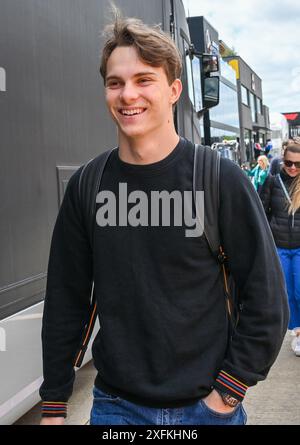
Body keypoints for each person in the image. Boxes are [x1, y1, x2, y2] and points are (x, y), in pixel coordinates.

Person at [39, 13, 289, 426]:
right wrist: (53, 402)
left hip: (207, 409)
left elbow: (267, 297)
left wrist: (228, 391)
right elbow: (67, 299)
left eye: (143, 80)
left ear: (173, 90)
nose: (127, 94)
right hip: (116, 409)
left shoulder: (218, 179)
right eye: (115, 82)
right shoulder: (88, 185)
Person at [260, 142, 300, 356]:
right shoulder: (272, 182)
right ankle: (296, 331)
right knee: (286, 292)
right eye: (288, 163)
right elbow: (261, 211)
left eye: (297, 164)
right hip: (280, 245)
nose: (292, 167)